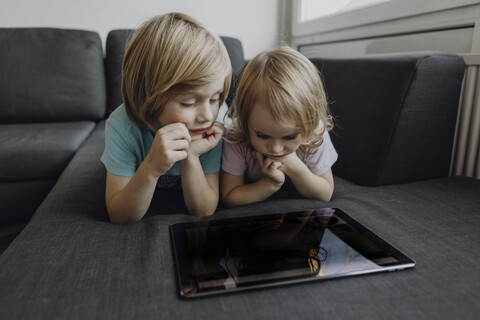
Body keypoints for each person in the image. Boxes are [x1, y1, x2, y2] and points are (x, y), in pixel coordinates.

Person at [101, 13, 232, 224]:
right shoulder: (121, 127)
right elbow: (119, 215)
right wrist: (152, 166)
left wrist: (191, 155)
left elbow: (204, 209)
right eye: (188, 103)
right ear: (147, 98)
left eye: (216, 98)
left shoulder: (213, 125)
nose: (207, 115)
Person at [221, 46, 337, 207]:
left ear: (309, 124)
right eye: (262, 135)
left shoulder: (314, 133)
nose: (275, 149)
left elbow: (325, 193)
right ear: (245, 120)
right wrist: (270, 184)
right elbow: (229, 197)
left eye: (289, 137)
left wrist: (297, 169)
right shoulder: (237, 135)